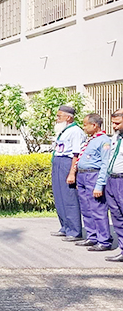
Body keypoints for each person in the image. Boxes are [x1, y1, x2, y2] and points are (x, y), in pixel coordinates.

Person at [72, 113, 113, 251]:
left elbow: (105, 164)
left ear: (94, 125)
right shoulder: (90, 140)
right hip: (83, 176)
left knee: (98, 209)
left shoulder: (104, 141)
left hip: (93, 175)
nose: (84, 128)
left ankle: (104, 240)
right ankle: (92, 236)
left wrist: (99, 185)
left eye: (85, 125)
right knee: (86, 208)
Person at [48, 105, 85, 240]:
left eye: (59, 116)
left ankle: (74, 231)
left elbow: (76, 153)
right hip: (58, 161)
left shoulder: (76, 131)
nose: (57, 119)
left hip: (67, 163)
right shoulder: (64, 130)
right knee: (59, 197)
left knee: (69, 198)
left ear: (68, 117)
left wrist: (71, 173)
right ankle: (65, 227)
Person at [101, 109, 123, 262]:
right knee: (117, 216)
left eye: (117, 123)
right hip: (112, 180)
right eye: (113, 123)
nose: (114, 126)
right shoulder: (115, 136)